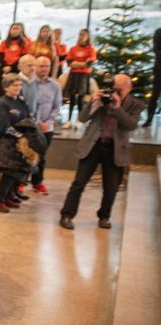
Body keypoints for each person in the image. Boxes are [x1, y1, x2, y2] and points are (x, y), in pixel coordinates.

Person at [59, 74, 144, 230]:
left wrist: (118, 108)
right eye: (114, 88)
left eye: (120, 89)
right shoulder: (102, 99)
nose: (115, 93)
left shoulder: (135, 104)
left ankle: (104, 217)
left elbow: (131, 125)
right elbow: (83, 118)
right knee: (79, 183)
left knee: (111, 187)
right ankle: (67, 214)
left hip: (115, 149)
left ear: (129, 88)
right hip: (94, 145)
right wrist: (93, 102)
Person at [0, 74, 33, 212]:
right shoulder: (2, 103)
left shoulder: (20, 101)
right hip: (8, 143)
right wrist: (19, 136)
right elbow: (2, 127)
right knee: (9, 174)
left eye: (19, 85)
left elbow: (28, 118)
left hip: (21, 144)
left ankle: (9, 196)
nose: (17, 88)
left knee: (18, 173)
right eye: (14, 85)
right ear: (6, 87)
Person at [31, 56, 63, 194]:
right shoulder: (30, 83)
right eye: (41, 66)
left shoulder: (55, 85)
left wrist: (48, 122)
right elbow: (29, 106)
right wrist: (37, 122)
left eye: (47, 66)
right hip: (32, 126)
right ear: (35, 67)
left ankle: (37, 182)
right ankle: (20, 182)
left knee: (41, 156)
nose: (44, 69)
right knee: (27, 155)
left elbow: (56, 107)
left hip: (47, 128)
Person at [63, 29, 96, 129]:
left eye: (83, 35)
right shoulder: (73, 48)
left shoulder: (91, 49)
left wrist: (77, 63)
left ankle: (79, 120)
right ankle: (68, 120)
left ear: (88, 37)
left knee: (81, 98)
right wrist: (81, 64)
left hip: (84, 76)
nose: (81, 36)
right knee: (72, 98)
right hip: (73, 75)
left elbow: (89, 63)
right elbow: (69, 62)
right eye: (80, 34)